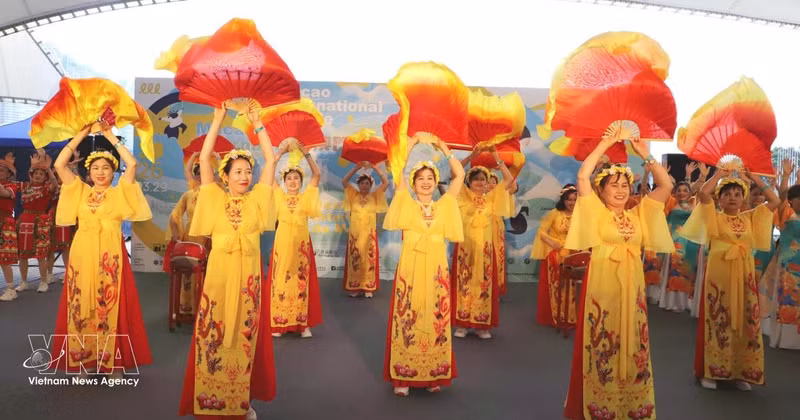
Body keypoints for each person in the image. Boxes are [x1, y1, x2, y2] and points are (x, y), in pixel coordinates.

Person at [563, 136, 674, 420]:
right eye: (614, 185)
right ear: (601, 191)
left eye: (625, 185)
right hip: (602, 283)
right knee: (603, 337)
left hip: (632, 284)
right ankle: (600, 403)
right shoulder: (596, 211)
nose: (621, 190)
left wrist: (644, 153)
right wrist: (605, 143)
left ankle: (631, 403)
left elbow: (666, 186)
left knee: (634, 338)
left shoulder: (640, 213)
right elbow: (582, 176)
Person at [178, 107, 277, 420]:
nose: (245, 176)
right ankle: (210, 396)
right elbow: (205, 158)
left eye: (247, 171)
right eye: (238, 172)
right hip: (219, 274)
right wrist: (218, 118)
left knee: (244, 333)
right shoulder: (214, 197)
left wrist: (258, 123)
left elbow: (272, 160)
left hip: (248, 275)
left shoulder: (258, 200)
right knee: (216, 331)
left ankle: (241, 400)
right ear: (226, 175)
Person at [51, 121, 152, 376]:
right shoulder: (80, 191)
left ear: (113, 171)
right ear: (88, 171)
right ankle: (83, 361)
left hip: (110, 256)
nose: (100, 172)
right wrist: (81, 134)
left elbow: (133, 164)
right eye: (95, 168)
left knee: (109, 306)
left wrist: (109, 136)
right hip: (82, 255)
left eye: (106, 168)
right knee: (81, 305)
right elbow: (59, 165)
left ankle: (112, 363)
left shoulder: (120, 193)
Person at [681, 168, 779, 391]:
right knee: (718, 318)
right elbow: (704, 195)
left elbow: (773, 200)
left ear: (743, 198)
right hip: (720, 276)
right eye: (727, 194)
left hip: (744, 276)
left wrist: (754, 178)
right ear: (720, 199)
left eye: (737, 194)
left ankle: (740, 371)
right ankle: (712, 371)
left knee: (745, 321)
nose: (733, 198)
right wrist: (718, 175)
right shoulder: (713, 216)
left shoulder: (751, 217)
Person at [383, 134, 464, 396]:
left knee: (436, 317)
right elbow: (398, 169)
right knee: (408, 315)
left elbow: (460, 176)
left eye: (430, 179)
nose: (426, 183)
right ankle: (403, 377)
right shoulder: (406, 202)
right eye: (421, 179)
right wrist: (413, 143)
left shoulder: (446, 205)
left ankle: (433, 374)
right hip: (411, 267)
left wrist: (444, 147)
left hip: (437, 270)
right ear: (414, 183)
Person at [451, 147, 513, 339]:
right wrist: (472, 156)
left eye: (483, 179)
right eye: (476, 179)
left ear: (487, 183)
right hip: (465, 250)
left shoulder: (492, 199)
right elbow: (455, 171)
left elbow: (509, 180)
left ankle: (482, 326)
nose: (479, 182)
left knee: (484, 285)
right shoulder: (462, 196)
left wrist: (496, 157)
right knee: (464, 284)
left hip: (485, 251)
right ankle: (462, 323)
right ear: (469, 182)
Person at [269, 141, 322, 338]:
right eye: (289, 178)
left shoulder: (306, 197)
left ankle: (302, 324)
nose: (292, 181)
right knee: (281, 281)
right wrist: (280, 152)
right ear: (284, 181)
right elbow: (269, 175)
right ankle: (279, 322)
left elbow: (316, 175)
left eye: (296, 178)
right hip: (282, 245)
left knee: (301, 281)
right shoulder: (279, 196)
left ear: (300, 181)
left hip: (301, 246)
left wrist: (305, 153)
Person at [165, 152, 208, 318]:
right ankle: (187, 306)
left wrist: (217, 158)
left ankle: (206, 308)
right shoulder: (188, 194)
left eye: (205, 174)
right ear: (196, 177)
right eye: (199, 174)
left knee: (209, 274)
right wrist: (176, 233)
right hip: (191, 237)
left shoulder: (216, 193)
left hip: (210, 238)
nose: (201, 177)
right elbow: (175, 215)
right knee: (188, 275)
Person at [532, 184, 577, 329]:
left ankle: (569, 317)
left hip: (573, 255)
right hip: (555, 254)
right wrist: (552, 242)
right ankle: (555, 316)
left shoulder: (581, 216)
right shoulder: (555, 213)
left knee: (571, 287)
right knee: (556, 285)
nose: (572, 203)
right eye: (569, 199)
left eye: (575, 200)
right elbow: (541, 231)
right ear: (563, 200)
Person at [341, 161, 389, 298]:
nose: (364, 186)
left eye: (367, 183)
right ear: (358, 184)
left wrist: (376, 168)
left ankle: (368, 287)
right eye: (362, 183)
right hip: (355, 236)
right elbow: (344, 181)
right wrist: (356, 167)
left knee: (368, 260)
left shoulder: (375, 196)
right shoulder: (353, 194)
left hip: (369, 236)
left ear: (370, 185)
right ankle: (355, 287)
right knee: (355, 259)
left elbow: (385, 183)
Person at [16, 150, 57, 293]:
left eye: (41, 174)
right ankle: (24, 281)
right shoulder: (26, 187)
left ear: (45, 177)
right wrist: (33, 166)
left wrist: (48, 169)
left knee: (41, 254)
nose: (38, 176)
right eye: (36, 173)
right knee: (23, 254)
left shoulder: (46, 189)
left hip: (40, 222)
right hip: (25, 222)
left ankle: (43, 281)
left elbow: (55, 183)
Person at [657, 180, 700, 313]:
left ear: (690, 193)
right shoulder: (671, 205)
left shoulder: (694, 205)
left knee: (689, 270)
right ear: (675, 193)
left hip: (691, 242)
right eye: (679, 190)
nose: (682, 193)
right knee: (676, 270)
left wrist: (702, 177)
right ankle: (673, 302)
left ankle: (687, 302)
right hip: (676, 241)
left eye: (685, 190)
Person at [487, 171, 516, 297]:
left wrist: (510, 169)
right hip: (480, 228)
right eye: (488, 182)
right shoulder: (475, 195)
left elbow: (513, 188)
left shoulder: (500, 194)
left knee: (497, 258)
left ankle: (495, 290)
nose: (490, 185)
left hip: (497, 228)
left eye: (494, 182)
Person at [0, 153, 19, 301]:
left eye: (1, 170)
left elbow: (4, 193)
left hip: (4, 224)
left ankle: (11, 289)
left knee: (4, 259)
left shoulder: (12, 186)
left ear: (9, 174)